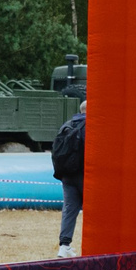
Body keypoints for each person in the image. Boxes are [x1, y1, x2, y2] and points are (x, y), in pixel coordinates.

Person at [51, 102, 87, 256]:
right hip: (84, 174)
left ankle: (64, 246)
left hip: (66, 174)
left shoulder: (66, 125)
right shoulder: (90, 125)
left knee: (69, 209)